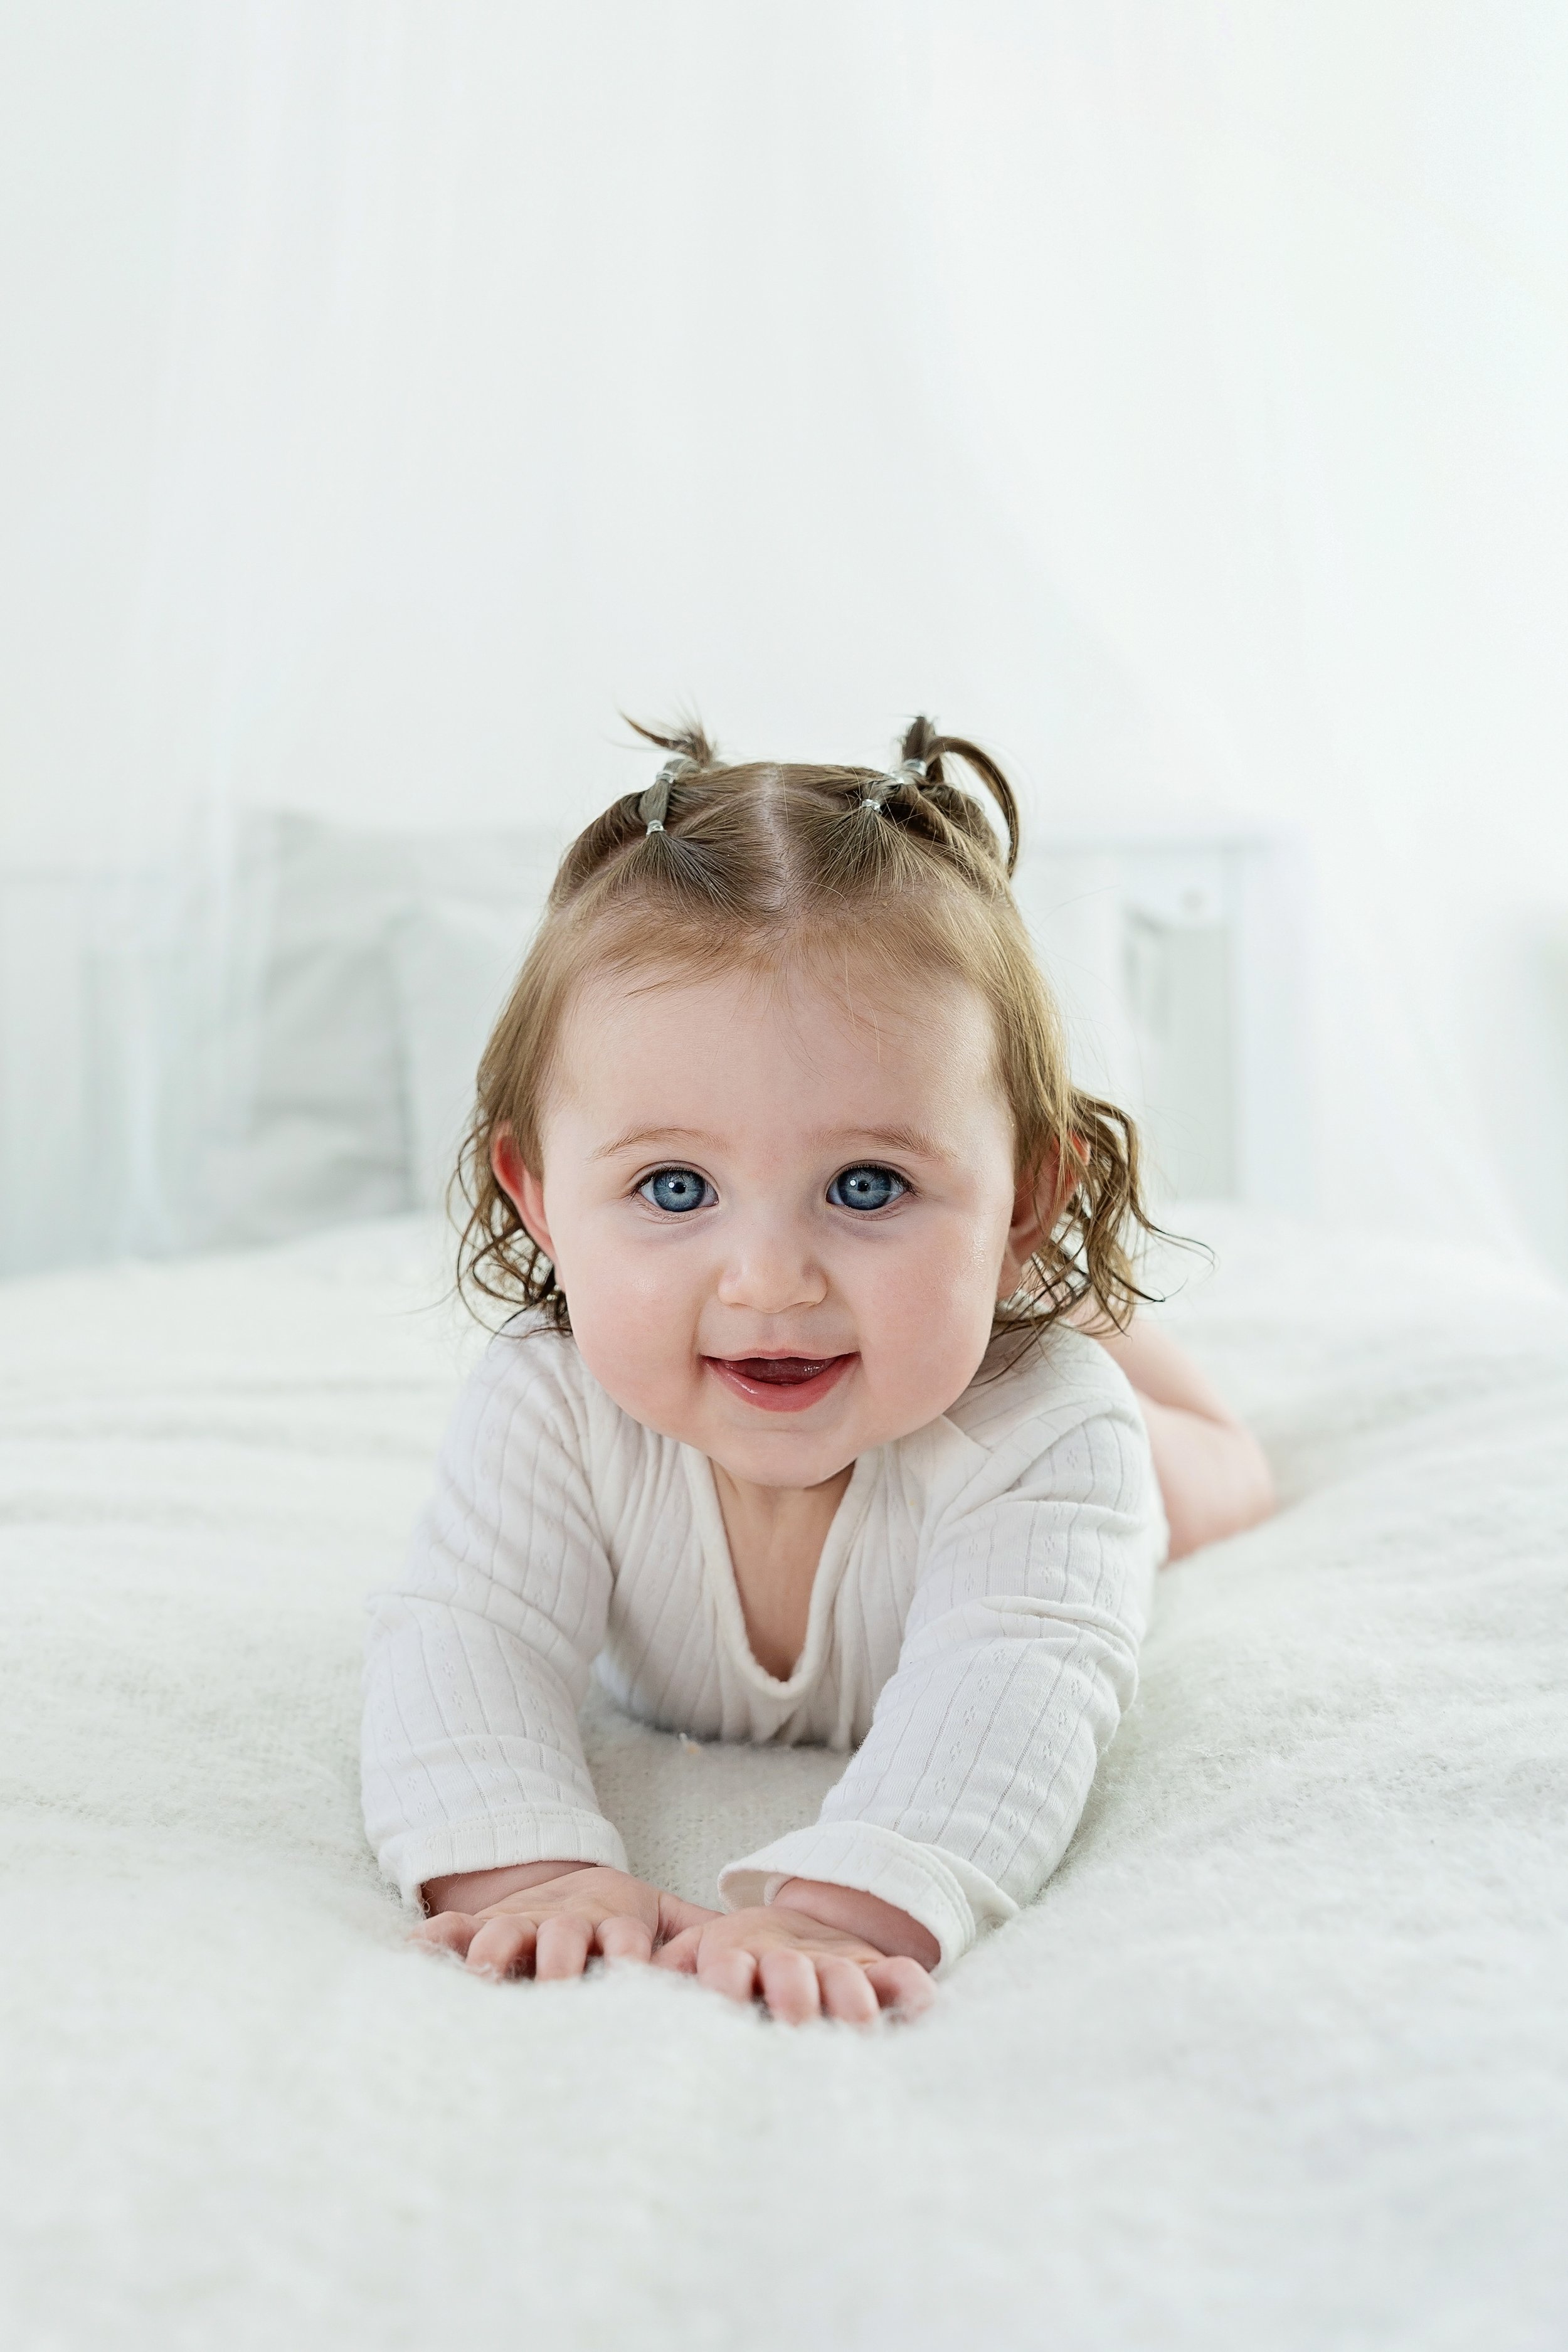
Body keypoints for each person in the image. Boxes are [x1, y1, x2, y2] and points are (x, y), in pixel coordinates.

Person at [361, 718, 1274, 2025]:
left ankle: (1060, 1309)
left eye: (866, 1185)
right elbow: (464, 1640)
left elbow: (1014, 1687)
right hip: (948, 1313)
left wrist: (832, 1908)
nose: (769, 1281)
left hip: (1041, 1420)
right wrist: (526, 1867)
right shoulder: (550, 1404)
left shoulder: (1047, 1436)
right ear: (542, 1198)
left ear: (1023, 1192)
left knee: (1194, 1465)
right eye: (675, 1188)